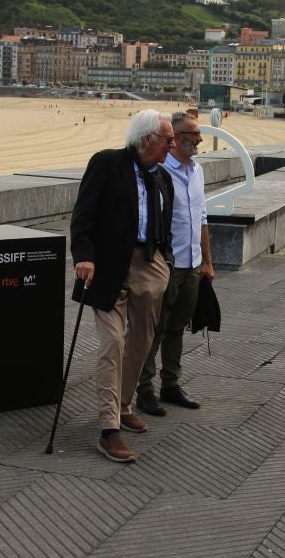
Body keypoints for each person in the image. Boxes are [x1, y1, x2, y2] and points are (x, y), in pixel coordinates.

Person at [70, 109, 176, 463]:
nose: (171, 146)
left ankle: (125, 403)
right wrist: (83, 256)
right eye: (167, 139)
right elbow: (83, 215)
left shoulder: (163, 177)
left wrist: (166, 261)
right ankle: (109, 428)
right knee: (112, 342)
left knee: (142, 341)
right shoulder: (107, 163)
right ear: (147, 139)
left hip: (149, 262)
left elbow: (165, 225)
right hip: (107, 265)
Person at [136, 112, 214, 417]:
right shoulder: (158, 171)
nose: (199, 140)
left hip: (192, 263)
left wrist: (207, 261)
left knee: (177, 328)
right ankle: (144, 390)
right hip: (167, 264)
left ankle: (171, 384)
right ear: (177, 137)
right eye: (193, 135)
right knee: (154, 329)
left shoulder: (197, 171)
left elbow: (203, 218)